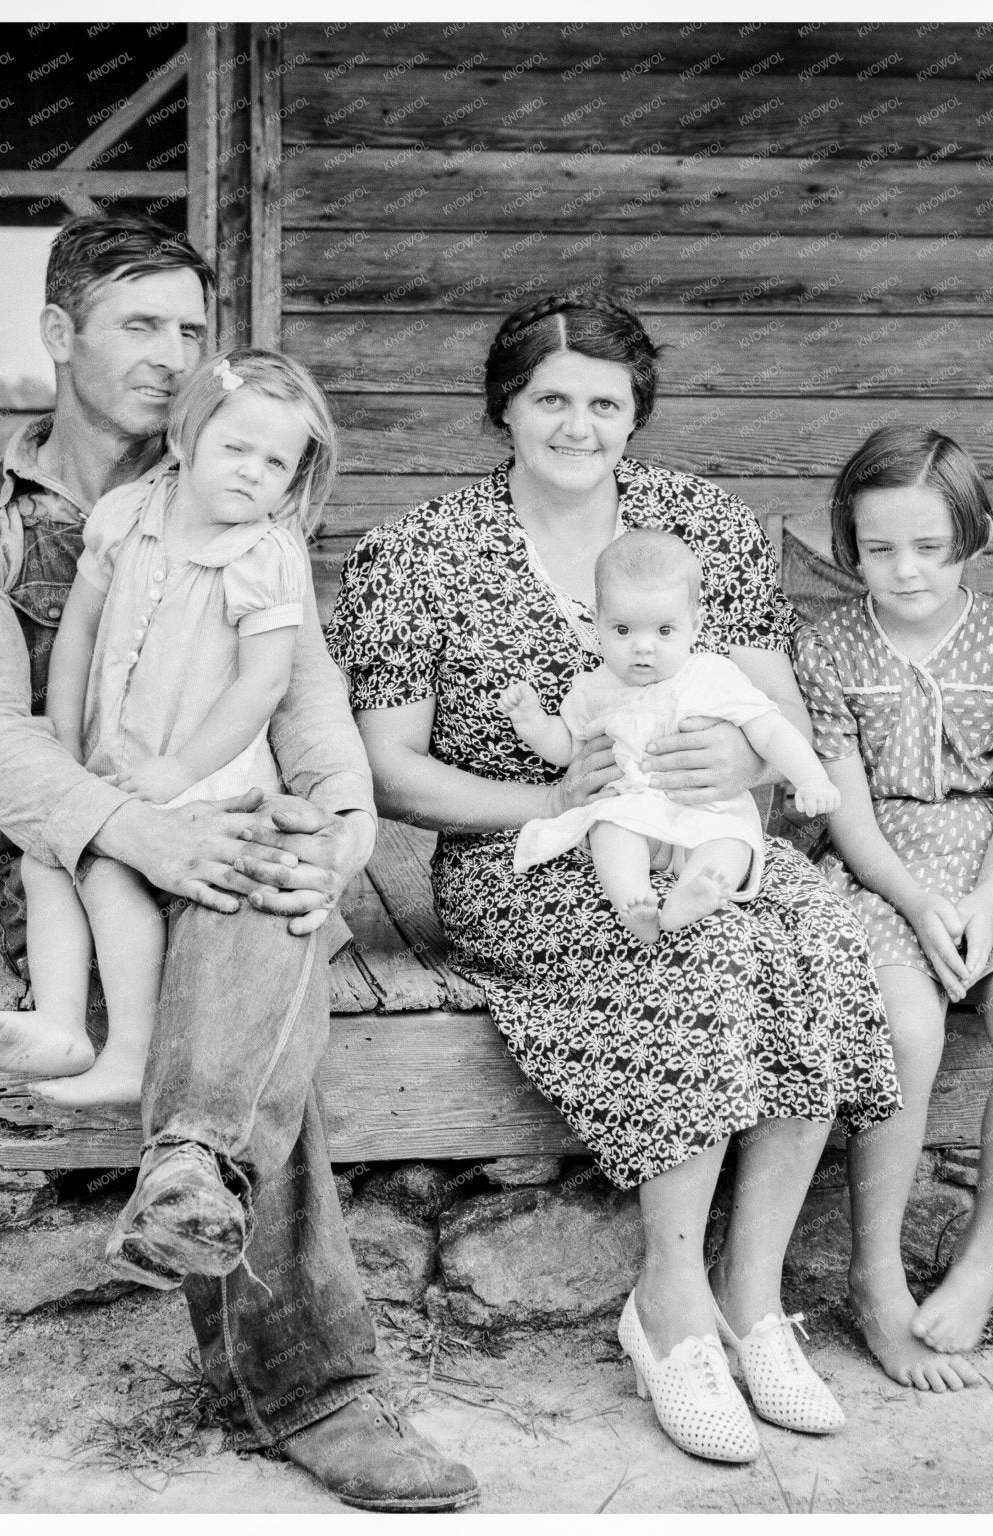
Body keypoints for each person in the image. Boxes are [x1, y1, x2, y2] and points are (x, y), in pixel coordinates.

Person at [0, 214, 477, 1511]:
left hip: (224, 826)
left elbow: (307, 703)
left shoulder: (248, 487)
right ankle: (312, 1390)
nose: (172, 354)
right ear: (58, 338)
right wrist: (138, 826)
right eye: (137, 326)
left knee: (262, 886)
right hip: (69, 861)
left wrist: (336, 835)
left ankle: (191, 1179)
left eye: (189, 328)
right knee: (252, 1026)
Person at [329, 291, 900, 1463]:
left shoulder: (700, 526)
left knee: (818, 939)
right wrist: (550, 798)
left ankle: (751, 1302)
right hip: (521, 854)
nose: (577, 423)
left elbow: (773, 708)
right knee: (704, 951)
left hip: (704, 830)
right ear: (504, 408)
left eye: (603, 401)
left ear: (635, 415)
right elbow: (387, 769)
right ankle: (667, 1308)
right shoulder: (418, 553)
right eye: (550, 398)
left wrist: (740, 751)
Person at [0, 348, 337, 1112]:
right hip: (115, 764)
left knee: (107, 874)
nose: (249, 472)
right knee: (48, 855)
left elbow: (262, 684)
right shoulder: (127, 515)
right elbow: (77, 636)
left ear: (295, 478)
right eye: (234, 448)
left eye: (274, 463)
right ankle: (62, 1020)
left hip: (205, 779)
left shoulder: (266, 556)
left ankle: (133, 1050)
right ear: (185, 439)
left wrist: (178, 770)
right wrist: (63, 752)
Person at [792, 426, 993, 1394]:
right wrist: (917, 907)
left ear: (974, 539)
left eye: (927, 546)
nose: (903, 571)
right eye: (878, 549)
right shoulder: (823, 650)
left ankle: (982, 1254)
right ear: (847, 545)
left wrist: (985, 907)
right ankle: (873, 1279)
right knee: (903, 1027)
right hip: (879, 872)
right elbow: (846, 811)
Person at [503, 529, 840, 946]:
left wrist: (811, 779)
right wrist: (534, 722)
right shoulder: (594, 688)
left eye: (664, 631)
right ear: (597, 621)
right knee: (609, 827)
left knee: (731, 841)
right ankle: (634, 902)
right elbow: (568, 748)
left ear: (693, 625)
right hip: (634, 809)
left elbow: (770, 729)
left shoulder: (711, 675)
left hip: (707, 810)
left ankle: (694, 894)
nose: (642, 648)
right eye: (623, 630)